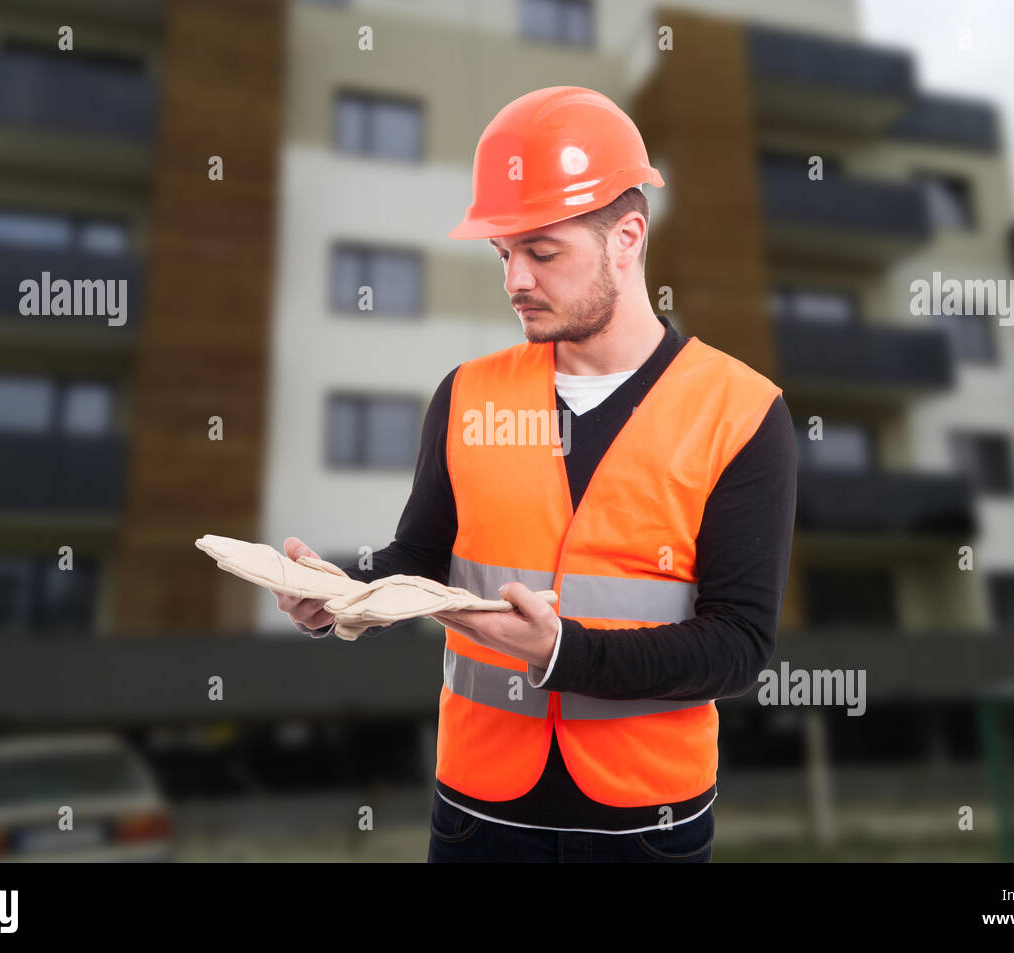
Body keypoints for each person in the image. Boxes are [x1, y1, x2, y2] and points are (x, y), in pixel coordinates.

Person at [276, 86, 797, 863]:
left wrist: (563, 655)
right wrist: (345, 592)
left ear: (627, 237)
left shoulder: (743, 412)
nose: (515, 279)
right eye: (503, 254)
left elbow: (738, 645)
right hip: (476, 814)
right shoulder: (466, 395)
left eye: (542, 252)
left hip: (646, 826)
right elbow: (420, 556)